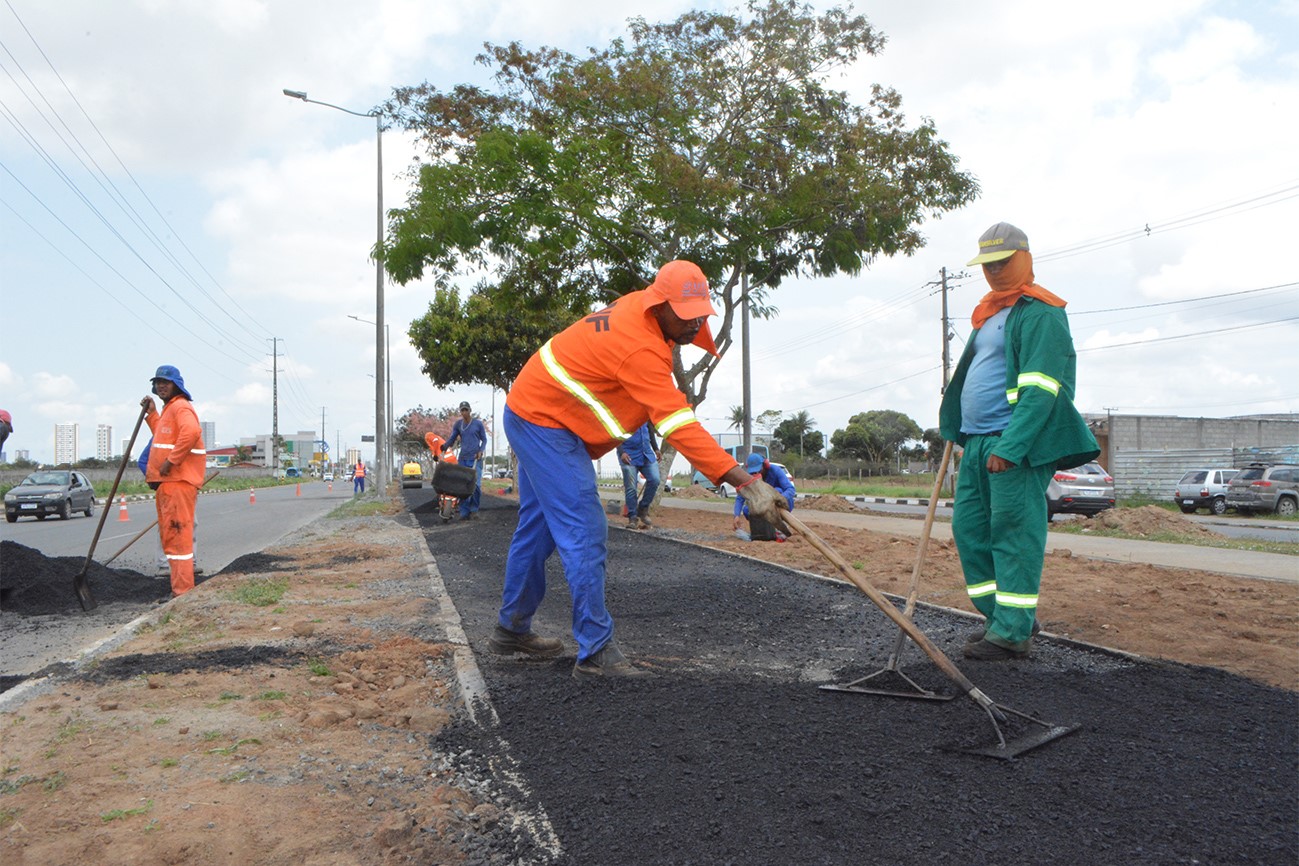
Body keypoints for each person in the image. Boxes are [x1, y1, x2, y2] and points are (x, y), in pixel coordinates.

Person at [494, 259, 788, 678]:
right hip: (543, 420)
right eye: (685, 316)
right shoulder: (639, 346)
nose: (693, 324)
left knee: (539, 529)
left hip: (544, 411)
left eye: (700, 315)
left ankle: (511, 629)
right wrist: (745, 483)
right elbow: (677, 424)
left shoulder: (647, 317)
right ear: (659, 305)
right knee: (584, 527)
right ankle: (595, 650)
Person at [939, 223, 1099, 661]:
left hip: (1013, 448)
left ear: (1024, 259)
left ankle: (1012, 634)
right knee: (970, 532)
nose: (993, 271)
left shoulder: (1042, 311)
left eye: (1002, 262)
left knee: (1013, 535)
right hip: (975, 443)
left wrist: (1011, 446)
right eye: (987, 264)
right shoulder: (989, 312)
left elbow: (1042, 390)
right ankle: (1005, 619)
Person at [141, 365, 207, 599]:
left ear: (176, 385)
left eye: (165, 382)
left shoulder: (180, 407)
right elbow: (163, 435)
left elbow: (191, 432)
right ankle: (180, 590)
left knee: (178, 540)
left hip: (178, 482)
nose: (161, 386)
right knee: (172, 538)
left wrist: (171, 461)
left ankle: (182, 592)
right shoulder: (169, 410)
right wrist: (151, 414)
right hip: (169, 484)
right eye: (158, 382)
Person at [733, 453, 795, 539]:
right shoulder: (749, 478)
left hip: (778, 504)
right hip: (761, 506)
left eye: (759, 470)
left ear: (765, 465)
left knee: (778, 490)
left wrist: (777, 498)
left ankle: (780, 527)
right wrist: (736, 515)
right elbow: (740, 498)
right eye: (754, 472)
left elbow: (790, 489)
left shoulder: (775, 471)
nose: (757, 473)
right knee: (747, 510)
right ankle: (762, 530)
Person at [443, 401, 488, 519]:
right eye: (462, 410)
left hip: (475, 459)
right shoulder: (458, 425)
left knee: (476, 485)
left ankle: (474, 509)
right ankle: (464, 511)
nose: (464, 412)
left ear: (470, 410)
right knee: (463, 486)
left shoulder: (478, 424)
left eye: (466, 410)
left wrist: (480, 451)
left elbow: (484, 440)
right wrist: (444, 446)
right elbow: (452, 438)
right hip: (463, 459)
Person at [617, 422, 661, 529]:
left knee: (655, 479)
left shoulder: (645, 413)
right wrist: (621, 452)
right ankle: (632, 517)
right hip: (628, 455)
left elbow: (650, 431)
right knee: (631, 487)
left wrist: (656, 449)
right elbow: (616, 435)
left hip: (646, 454)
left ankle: (643, 509)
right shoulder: (623, 413)